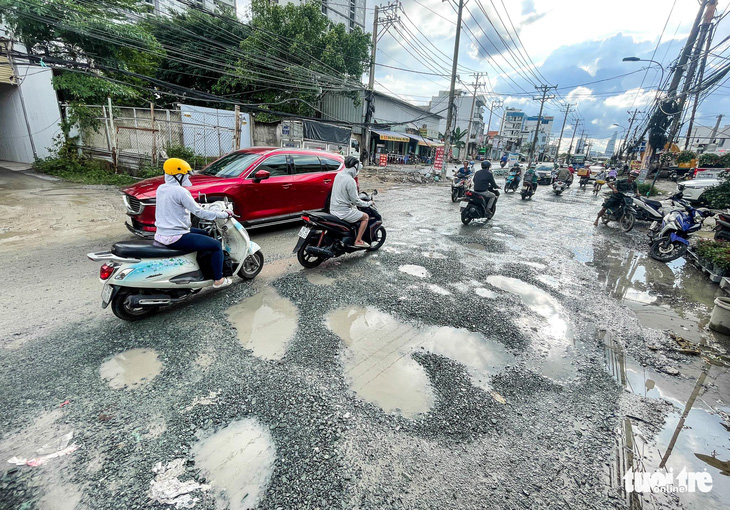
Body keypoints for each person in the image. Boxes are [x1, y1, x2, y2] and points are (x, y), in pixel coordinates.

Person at [154, 158, 233, 288]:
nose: (187, 177)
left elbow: (177, 205)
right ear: (178, 175)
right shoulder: (180, 191)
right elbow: (200, 213)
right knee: (216, 245)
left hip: (162, 233)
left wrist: (199, 205)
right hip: (176, 236)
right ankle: (218, 279)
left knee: (204, 233)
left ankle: (199, 266)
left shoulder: (161, 188)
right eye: (185, 175)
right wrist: (224, 214)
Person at [330, 156, 372, 247]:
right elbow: (356, 201)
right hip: (343, 212)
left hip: (332, 209)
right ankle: (358, 240)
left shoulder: (339, 175)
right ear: (354, 168)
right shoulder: (350, 181)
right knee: (365, 217)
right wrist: (368, 203)